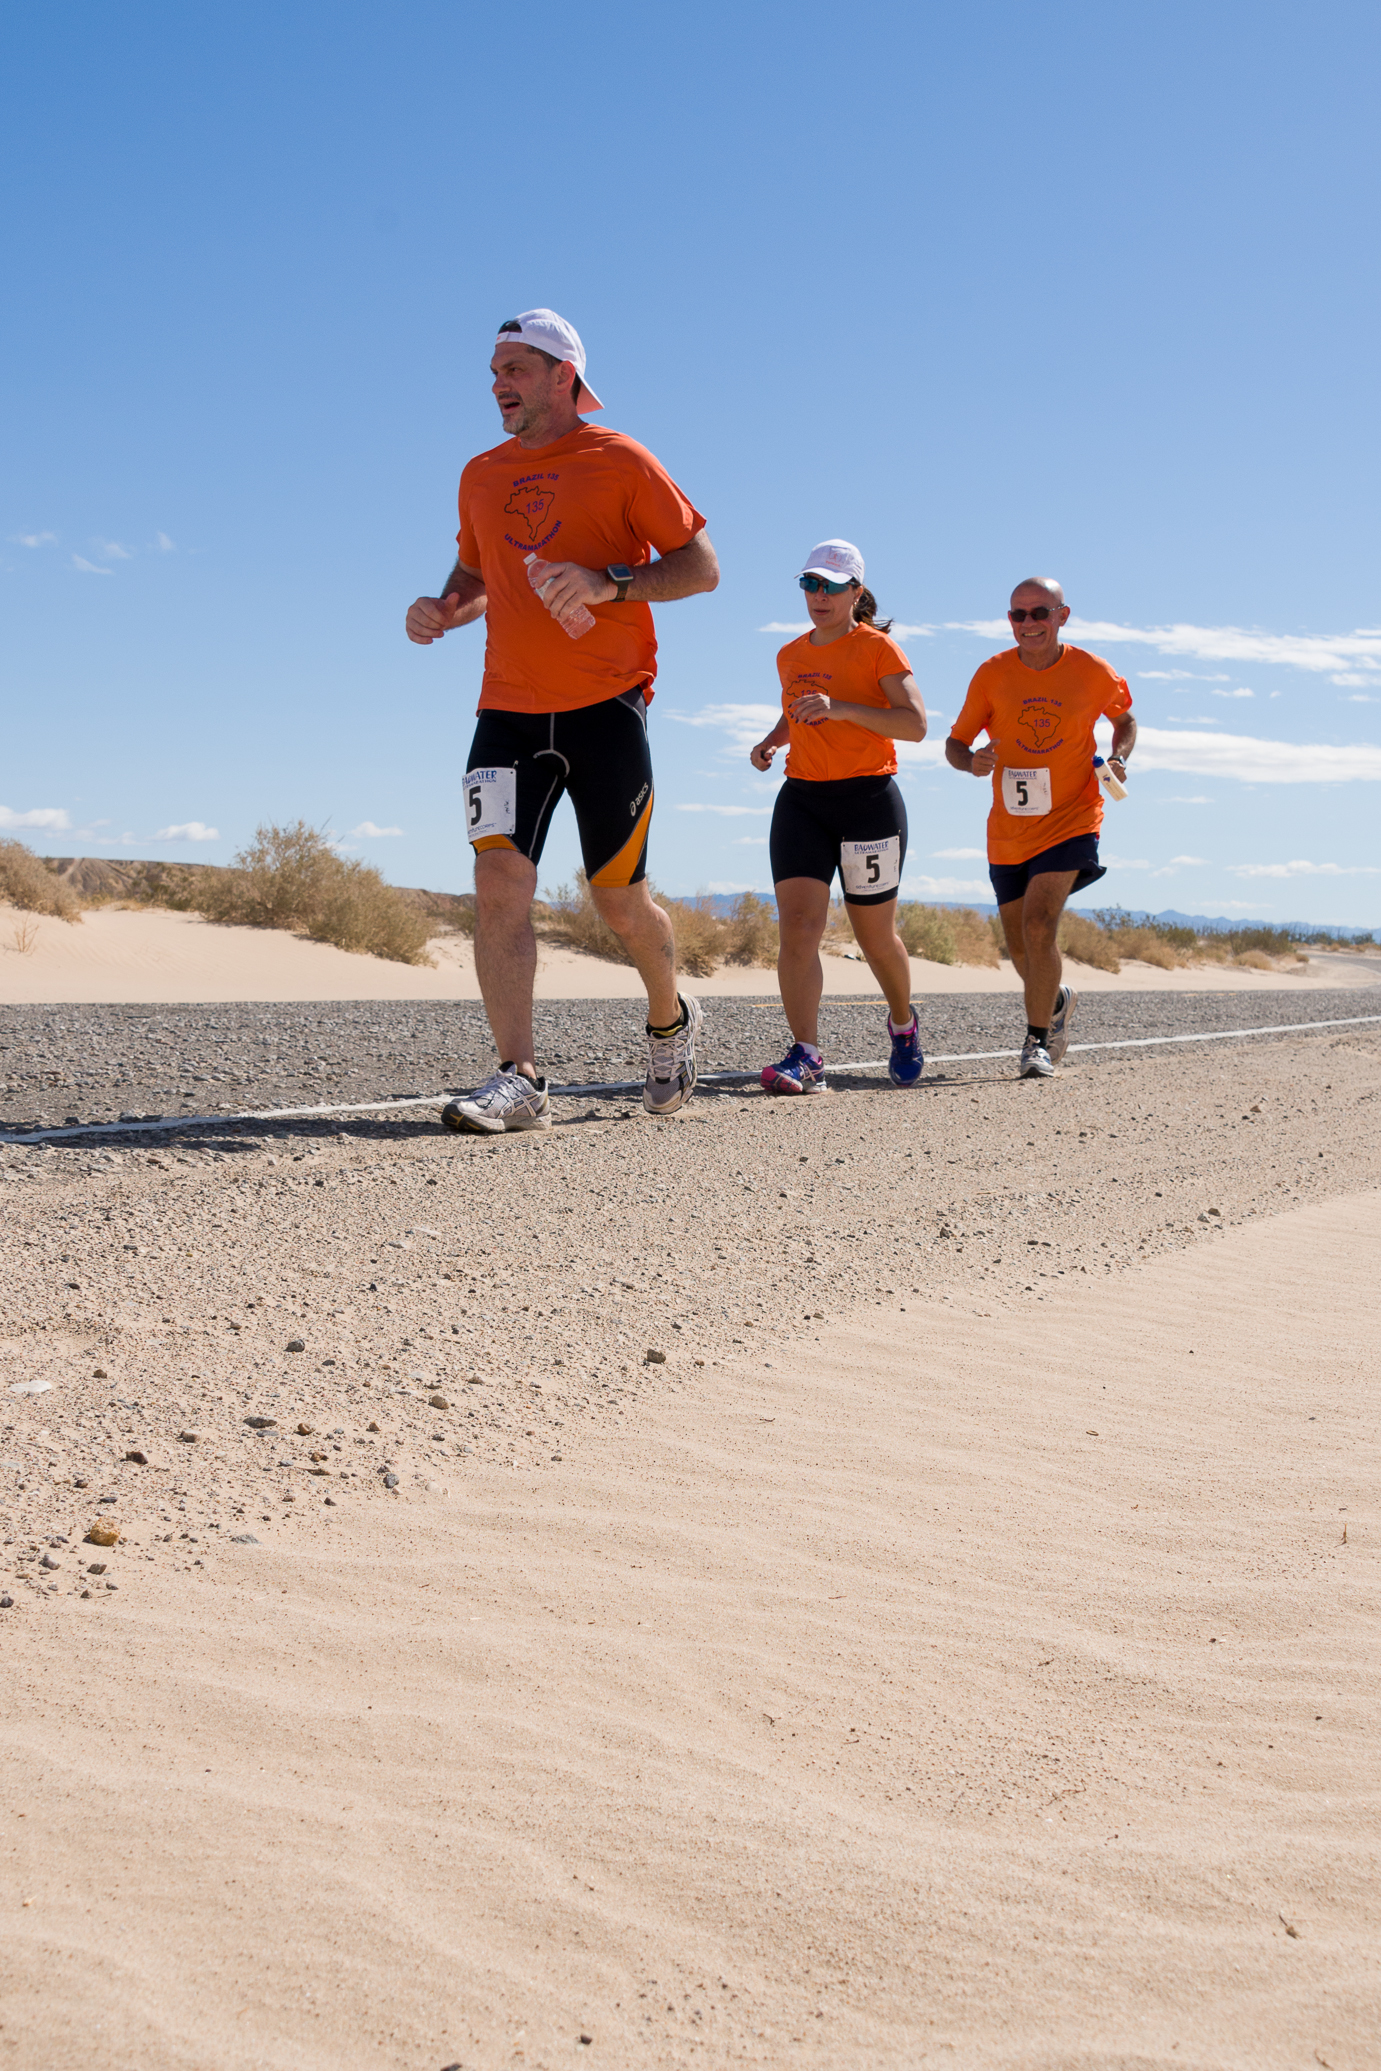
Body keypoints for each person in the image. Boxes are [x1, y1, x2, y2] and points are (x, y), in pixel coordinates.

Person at [405, 309, 719, 1132]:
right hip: (505, 708)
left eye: (514, 368)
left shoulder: (619, 458)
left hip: (606, 705)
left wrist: (609, 582)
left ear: (562, 376)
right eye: (493, 371)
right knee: (497, 881)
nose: (499, 384)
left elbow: (700, 567)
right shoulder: (479, 473)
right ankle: (520, 1077)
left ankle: (669, 1019)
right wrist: (445, 606)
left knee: (617, 900)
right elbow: (474, 572)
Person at [748, 540, 928, 1095]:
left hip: (868, 801)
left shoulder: (878, 651)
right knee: (798, 929)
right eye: (809, 584)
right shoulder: (789, 654)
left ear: (856, 591)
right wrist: (774, 740)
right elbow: (798, 711)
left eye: (830, 586)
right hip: (802, 799)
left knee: (874, 937)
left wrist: (843, 708)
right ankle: (806, 1054)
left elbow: (915, 724)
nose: (818, 596)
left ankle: (903, 1023)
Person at [945, 577, 1136, 1078]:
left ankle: (1036, 1044)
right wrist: (973, 762)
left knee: (1038, 923)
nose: (1027, 624)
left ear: (1062, 616)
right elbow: (955, 743)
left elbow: (1126, 720)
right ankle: (1055, 1002)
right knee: (1019, 947)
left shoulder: (1092, 671)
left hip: (1074, 817)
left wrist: (1117, 757)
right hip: (1009, 829)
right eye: (1017, 615)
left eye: (1039, 614)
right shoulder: (991, 674)